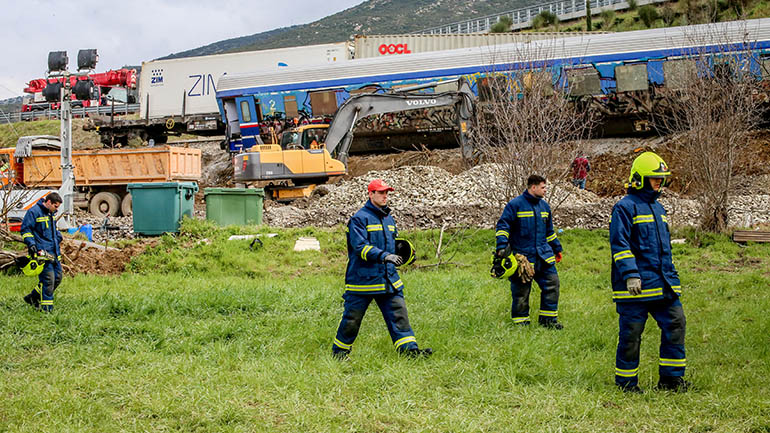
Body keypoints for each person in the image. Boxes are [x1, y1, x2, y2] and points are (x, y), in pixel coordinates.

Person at [609, 151, 689, 393]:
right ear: (639, 179)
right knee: (631, 334)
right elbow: (620, 245)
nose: (659, 182)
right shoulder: (624, 208)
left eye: (662, 178)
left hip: (663, 284)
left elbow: (664, 250)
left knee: (676, 323)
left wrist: (672, 277)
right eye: (655, 178)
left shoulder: (659, 209)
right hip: (635, 287)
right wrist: (631, 275)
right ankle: (626, 384)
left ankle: (671, 381)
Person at [332, 179, 432, 359]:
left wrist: (404, 254)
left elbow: (392, 245)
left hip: (388, 279)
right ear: (371, 194)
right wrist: (385, 256)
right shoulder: (359, 219)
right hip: (363, 281)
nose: (385, 196)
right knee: (352, 320)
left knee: (399, 316)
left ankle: (410, 351)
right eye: (381, 192)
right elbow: (360, 248)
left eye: (386, 192)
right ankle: (339, 353)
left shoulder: (388, 219)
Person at [495, 174, 564, 329]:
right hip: (523, 257)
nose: (545, 190)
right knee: (521, 292)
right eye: (543, 187)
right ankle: (521, 323)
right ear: (533, 187)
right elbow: (503, 227)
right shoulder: (515, 205)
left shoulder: (545, 207)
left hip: (544, 256)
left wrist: (557, 248)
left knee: (552, 285)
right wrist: (502, 247)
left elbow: (549, 232)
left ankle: (548, 321)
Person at [20, 192, 63, 312]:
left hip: (54, 252)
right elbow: (25, 230)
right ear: (48, 202)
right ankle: (47, 310)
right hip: (42, 253)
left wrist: (59, 237)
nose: (56, 209)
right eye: (55, 206)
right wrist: (31, 244)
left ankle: (33, 297)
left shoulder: (51, 213)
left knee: (58, 278)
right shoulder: (33, 212)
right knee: (48, 280)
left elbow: (53, 230)